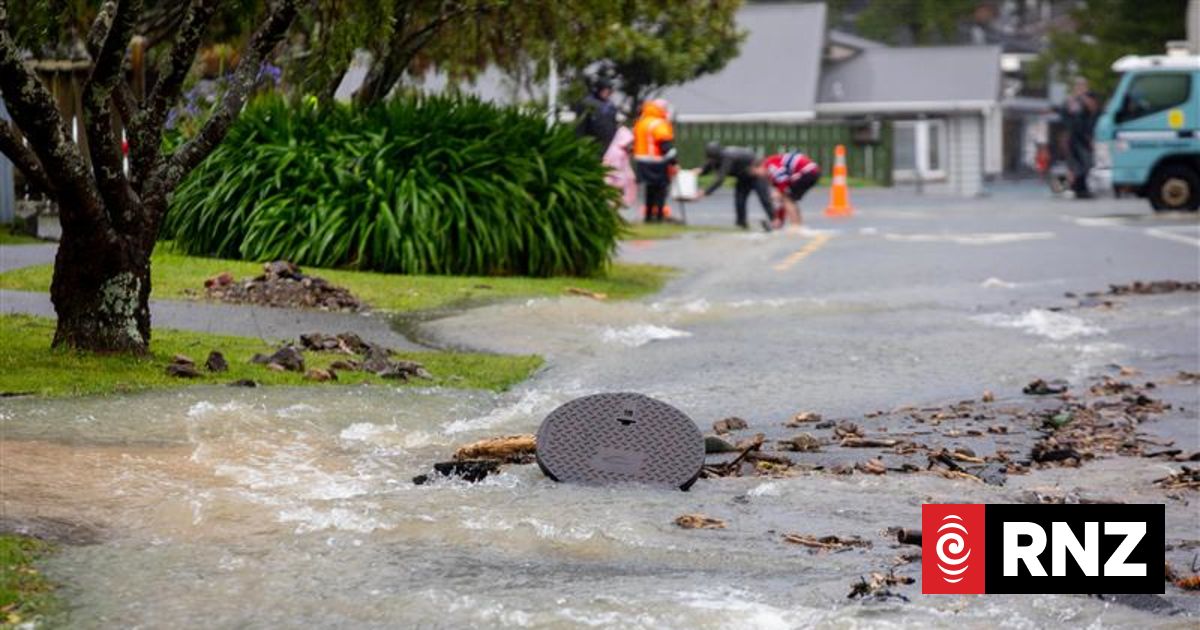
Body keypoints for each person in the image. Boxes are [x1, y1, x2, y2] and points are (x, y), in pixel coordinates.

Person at [694, 141, 774, 231]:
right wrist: (700, 171)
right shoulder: (716, 158)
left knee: (764, 199)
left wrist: (704, 192)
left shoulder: (727, 157)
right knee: (739, 199)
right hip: (743, 176)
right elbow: (707, 168)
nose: (712, 160)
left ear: (718, 155)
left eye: (713, 158)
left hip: (756, 174)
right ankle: (741, 224)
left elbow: (720, 179)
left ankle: (775, 220)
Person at [633, 99, 676, 223]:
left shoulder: (641, 122)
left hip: (642, 161)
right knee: (661, 190)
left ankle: (648, 216)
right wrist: (674, 162)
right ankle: (659, 217)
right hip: (658, 161)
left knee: (649, 190)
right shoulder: (659, 123)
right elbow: (665, 145)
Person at [1057, 78, 1100, 199]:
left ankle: (1082, 188)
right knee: (1074, 164)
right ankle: (1076, 188)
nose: (1080, 88)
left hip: (1086, 136)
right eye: (1078, 85)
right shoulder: (1070, 100)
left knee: (1087, 163)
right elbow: (1065, 115)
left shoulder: (1090, 97)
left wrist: (1083, 97)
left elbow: (1093, 109)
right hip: (1073, 137)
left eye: (1083, 85)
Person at [757, 151, 820, 228]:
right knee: (789, 200)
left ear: (760, 166)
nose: (759, 177)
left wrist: (778, 193)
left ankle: (795, 227)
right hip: (811, 171)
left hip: (806, 171)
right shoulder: (771, 168)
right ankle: (798, 225)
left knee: (787, 200)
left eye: (757, 173)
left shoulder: (769, 164)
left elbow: (783, 179)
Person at [574, 77, 618, 158]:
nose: (608, 93)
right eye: (605, 90)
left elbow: (613, 127)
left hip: (608, 148)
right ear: (598, 89)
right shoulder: (586, 104)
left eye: (609, 91)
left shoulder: (611, 106)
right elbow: (579, 128)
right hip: (592, 147)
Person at [602, 127, 638, 209]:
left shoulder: (621, 151)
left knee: (616, 201)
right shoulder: (618, 152)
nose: (631, 146)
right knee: (614, 201)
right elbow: (614, 169)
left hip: (618, 182)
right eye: (630, 143)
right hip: (615, 182)